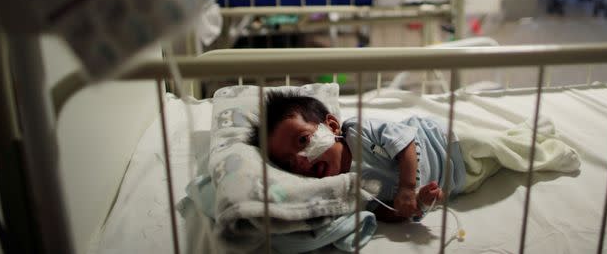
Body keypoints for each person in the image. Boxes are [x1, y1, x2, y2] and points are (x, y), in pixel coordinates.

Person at [249, 91, 580, 223]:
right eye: (291, 164)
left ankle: (544, 148)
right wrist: (416, 203)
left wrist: (408, 185)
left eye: (304, 141)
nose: (302, 161)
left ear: (330, 126)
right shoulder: (344, 188)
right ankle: (529, 136)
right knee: (494, 166)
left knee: (499, 148)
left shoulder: (357, 132)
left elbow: (406, 141)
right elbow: (384, 211)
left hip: (446, 143)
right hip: (455, 181)